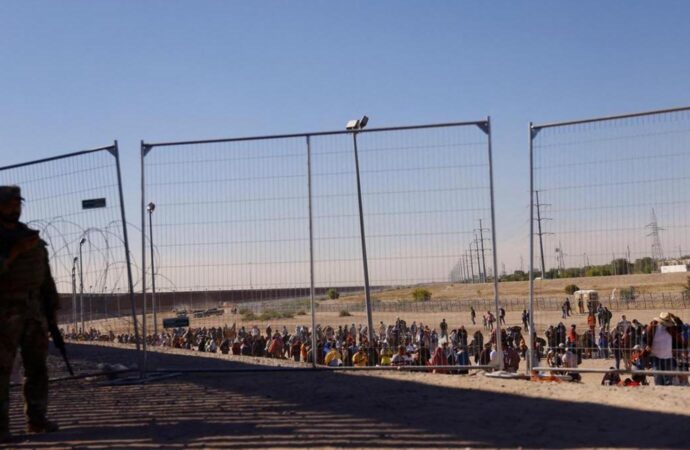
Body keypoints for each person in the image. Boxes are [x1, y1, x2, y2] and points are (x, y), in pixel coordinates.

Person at [0, 186, 60, 439]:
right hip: (5, 312)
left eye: (18, 203)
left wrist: (51, 307)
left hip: (34, 313)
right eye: (9, 203)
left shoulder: (29, 236)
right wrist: (15, 253)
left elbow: (44, 275)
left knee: (37, 367)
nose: (15, 207)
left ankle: (36, 419)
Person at [646, 312, 680, 386]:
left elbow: (679, 329)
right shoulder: (653, 328)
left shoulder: (671, 330)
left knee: (667, 379)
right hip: (656, 357)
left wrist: (674, 317)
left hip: (668, 357)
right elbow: (648, 339)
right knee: (658, 378)